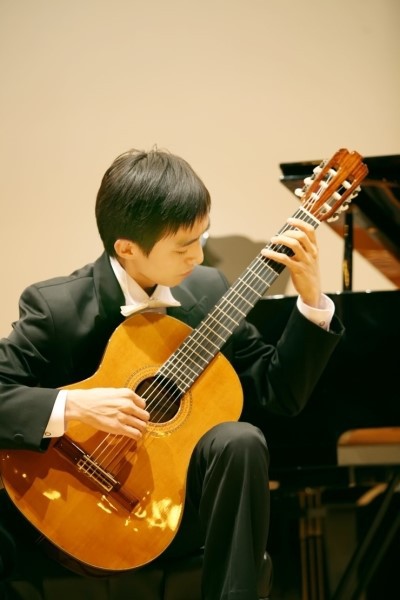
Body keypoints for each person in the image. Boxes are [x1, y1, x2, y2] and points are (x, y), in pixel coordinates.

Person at [0, 147, 344, 600]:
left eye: (203, 237)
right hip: (59, 513)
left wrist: (312, 300)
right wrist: (75, 405)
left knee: (240, 439)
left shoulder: (209, 292)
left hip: (172, 514)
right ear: (126, 248)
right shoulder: (57, 307)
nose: (198, 257)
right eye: (183, 246)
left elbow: (278, 391)